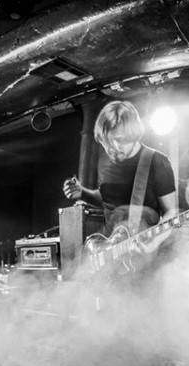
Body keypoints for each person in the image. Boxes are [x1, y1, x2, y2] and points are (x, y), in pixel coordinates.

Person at [62, 100, 178, 258]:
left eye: (119, 140)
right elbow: (108, 199)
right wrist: (83, 193)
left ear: (133, 134)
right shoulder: (104, 161)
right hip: (111, 256)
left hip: (144, 257)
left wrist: (153, 243)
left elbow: (171, 212)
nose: (112, 148)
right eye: (107, 141)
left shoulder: (157, 162)